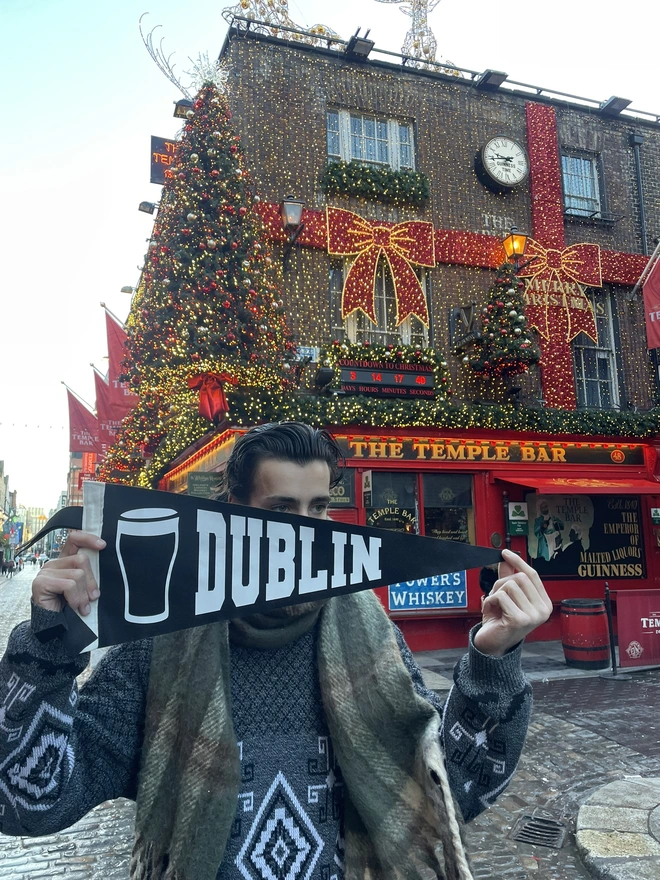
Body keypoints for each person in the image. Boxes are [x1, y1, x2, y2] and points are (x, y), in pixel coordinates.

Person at [0, 422, 552, 879]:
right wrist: (50, 645)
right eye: (282, 509)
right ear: (234, 511)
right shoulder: (160, 643)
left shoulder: (369, 633)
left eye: (319, 508)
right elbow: (28, 803)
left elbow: (453, 791)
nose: (307, 533)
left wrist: (493, 658)